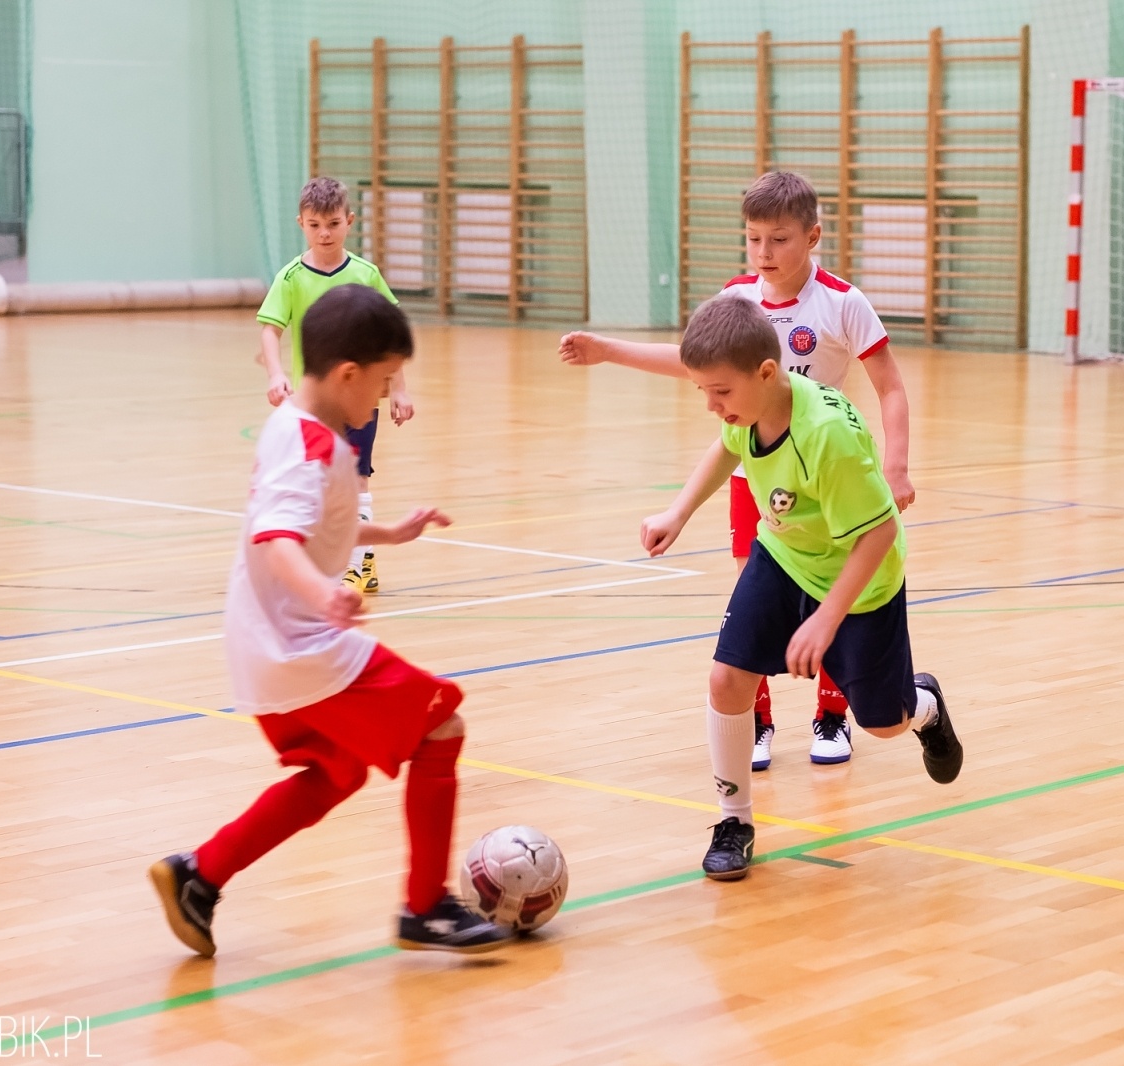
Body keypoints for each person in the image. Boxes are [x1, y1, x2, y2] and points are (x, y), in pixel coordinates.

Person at [150, 285, 509, 956]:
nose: (379, 398)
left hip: (262, 646)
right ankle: (426, 905)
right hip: (299, 644)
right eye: (380, 383)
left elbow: (316, 520)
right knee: (441, 724)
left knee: (335, 773)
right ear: (349, 374)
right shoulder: (314, 445)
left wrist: (388, 534)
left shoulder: (293, 426)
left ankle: (199, 874)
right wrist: (322, 593)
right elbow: (278, 536)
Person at [560, 171, 914, 771]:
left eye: (778, 239)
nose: (764, 253)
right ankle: (756, 722)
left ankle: (832, 715)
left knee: (831, 586)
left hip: (825, 474)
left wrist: (897, 465)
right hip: (758, 472)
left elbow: (891, 387)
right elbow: (695, 361)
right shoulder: (737, 299)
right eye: (753, 240)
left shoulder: (841, 301)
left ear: (812, 236)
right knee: (760, 595)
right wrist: (609, 350)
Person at [639, 296, 962, 881]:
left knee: (884, 724)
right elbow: (725, 449)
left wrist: (825, 618)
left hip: (859, 580)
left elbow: (881, 533)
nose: (713, 406)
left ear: (767, 372)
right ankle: (734, 820)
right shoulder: (753, 411)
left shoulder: (827, 435)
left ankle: (927, 707)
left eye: (721, 393)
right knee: (726, 678)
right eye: (703, 393)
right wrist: (677, 513)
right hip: (784, 556)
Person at [258, 176, 415, 594]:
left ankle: (360, 566)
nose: (324, 233)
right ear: (301, 224)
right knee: (318, 479)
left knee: (356, 478)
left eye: (331, 223)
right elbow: (270, 330)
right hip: (313, 406)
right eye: (314, 225)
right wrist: (276, 373)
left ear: (349, 221)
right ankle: (329, 556)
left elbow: (391, 334)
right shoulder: (291, 278)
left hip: (359, 399)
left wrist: (398, 387)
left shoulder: (365, 275)